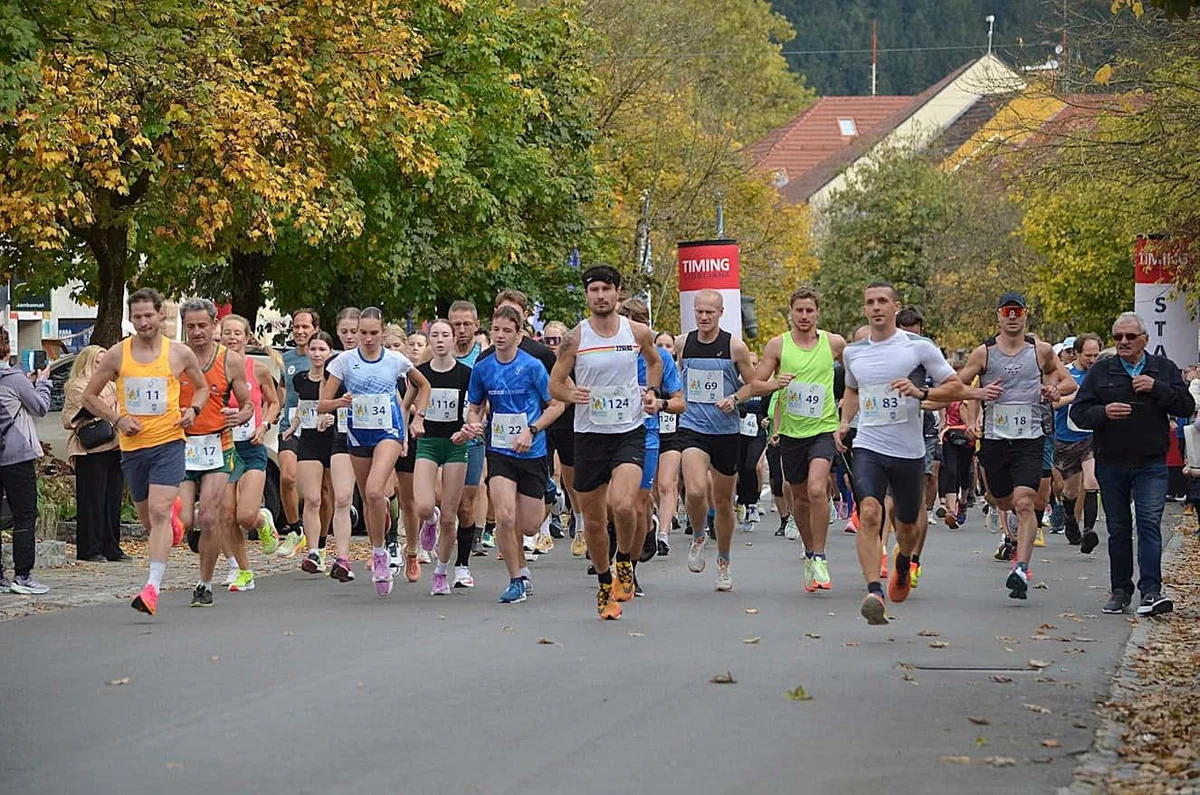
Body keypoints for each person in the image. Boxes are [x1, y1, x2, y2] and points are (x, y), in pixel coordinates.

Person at [836, 283, 969, 625]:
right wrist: (844, 422)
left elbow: (955, 387)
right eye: (870, 302)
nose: (876, 307)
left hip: (908, 451)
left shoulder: (919, 349)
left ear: (895, 307)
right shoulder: (854, 353)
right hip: (868, 443)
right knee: (868, 511)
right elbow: (852, 389)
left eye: (883, 301)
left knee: (907, 524)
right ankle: (873, 591)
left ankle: (903, 560)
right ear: (864, 309)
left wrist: (920, 391)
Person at [84, 288, 209, 615]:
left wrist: (193, 411)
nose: (143, 322)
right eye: (136, 317)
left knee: (157, 510)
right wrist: (118, 418)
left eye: (148, 316)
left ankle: (152, 588)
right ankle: (174, 524)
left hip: (168, 442)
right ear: (130, 318)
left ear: (160, 316)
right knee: (149, 520)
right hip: (133, 447)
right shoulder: (117, 354)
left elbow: (202, 388)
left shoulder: (178, 353)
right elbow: (89, 397)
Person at [551, 266, 663, 618]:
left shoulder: (638, 331)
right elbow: (554, 384)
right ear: (587, 295)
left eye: (606, 289)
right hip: (589, 435)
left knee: (625, 504)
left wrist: (651, 392)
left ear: (618, 293)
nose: (600, 296)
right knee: (595, 519)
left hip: (628, 431)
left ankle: (626, 561)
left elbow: (655, 362)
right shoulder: (575, 338)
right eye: (593, 290)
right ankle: (603, 583)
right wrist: (572, 393)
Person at [1071, 312, 1194, 616]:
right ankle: (1120, 590)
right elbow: (1079, 413)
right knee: (1119, 528)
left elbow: (1186, 406)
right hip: (1111, 461)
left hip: (1151, 462)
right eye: (1117, 337)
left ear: (1144, 339)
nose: (1123, 342)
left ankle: (1151, 591)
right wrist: (1104, 412)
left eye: (1129, 336)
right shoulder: (1102, 371)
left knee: (1149, 524)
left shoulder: (1162, 369)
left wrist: (1157, 389)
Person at [957, 292, 1075, 601]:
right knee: (1002, 498)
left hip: (1030, 438)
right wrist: (979, 395)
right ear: (998, 316)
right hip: (996, 440)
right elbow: (957, 383)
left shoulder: (1042, 351)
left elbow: (1069, 385)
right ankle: (1006, 517)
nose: (1012, 316)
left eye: (1018, 311)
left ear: (1025, 315)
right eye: (1007, 311)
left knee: (1025, 503)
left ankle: (1020, 570)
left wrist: (1053, 391)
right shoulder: (984, 353)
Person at [320, 307, 429, 597]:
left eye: (373, 333)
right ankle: (378, 550)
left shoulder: (395, 360)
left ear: (381, 333)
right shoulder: (344, 362)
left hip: (389, 432)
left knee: (371, 491)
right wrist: (340, 402)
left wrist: (416, 416)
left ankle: (383, 554)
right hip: (358, 435)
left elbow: (423, 385)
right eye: (362, 333)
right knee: (371, 500)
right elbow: (322, 404)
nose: (367, 339)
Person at [459, 305, 564, 606]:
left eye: (508, 330)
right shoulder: (483, 367)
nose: (501, 335)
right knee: (505, 516)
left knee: (528, 525)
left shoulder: (532, 367)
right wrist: (473, 422)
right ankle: (516, 578)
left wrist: (531, 430)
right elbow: (476, 405)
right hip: (500, 450)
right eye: (496, 329)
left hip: (532, 451)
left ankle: (548, 491)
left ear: (519, 335)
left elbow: (555, 405)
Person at [751, 287, 846, 593]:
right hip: (791, 431)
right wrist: (773, 383)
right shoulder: (778, 345)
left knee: (818, 488)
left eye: (810, 310)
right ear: (790, 312)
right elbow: (755, 383)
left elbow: (856, 374)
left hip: (823, 427)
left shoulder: (834, 343)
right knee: (801, 496)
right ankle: (809, 552)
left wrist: (846, 409)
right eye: (799, 310)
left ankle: (820, 555)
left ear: (818, 312)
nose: (804, 316)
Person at [676, 289, 758, 591]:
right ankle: (699, 534)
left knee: (723, 501)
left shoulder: (734, 347)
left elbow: (754, 386)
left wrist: (734, 399)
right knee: (695, 490)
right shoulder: (683, 343)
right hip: (693, 426)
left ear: (721, 312)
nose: (704, 317)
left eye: (710, 312)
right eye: (699, 311)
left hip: (724, 431)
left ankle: (724, 562)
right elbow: (679, 379)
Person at [176, 299, 255, 607]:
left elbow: (247, 403)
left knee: (209, 516)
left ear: (214, 326)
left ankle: (204, 583)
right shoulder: (174, 357)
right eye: (190, 326)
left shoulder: (229, 360)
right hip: (182, 444)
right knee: (184, 520)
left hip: (217, 446)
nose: (196, 332)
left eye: (202, 326)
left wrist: (241, 415)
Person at [219, 314, 282, 589]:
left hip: (251, 446)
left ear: (246, 338)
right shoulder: (211, 371)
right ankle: (241, 569)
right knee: (225, 514)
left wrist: (265, 424)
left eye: (237, 333)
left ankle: (262, 519)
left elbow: (273, 402)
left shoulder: (257, 370)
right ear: (219, 337)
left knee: (245, 516)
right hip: (221, 448)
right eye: (227, 333)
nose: (232, 338)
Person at [414, 319, 473, 594]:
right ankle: (429, 521)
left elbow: (477, 407)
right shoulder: (419, 373)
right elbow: (406, 404)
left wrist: (470, 427)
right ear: (429, 340)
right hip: (427, 442)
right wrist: (411, 424)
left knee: (451, 516)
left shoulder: (466, 374)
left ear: (453, 341)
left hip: (455, 444)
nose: (440, 340)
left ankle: (441, 572)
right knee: (424, 506)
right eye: (434, 335)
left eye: (445, 335)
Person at [62, 344, 127, 563]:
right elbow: (86, 409)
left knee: (112, 499)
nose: (103, 366)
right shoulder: (78, 385)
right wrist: (111, 399)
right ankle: (91, 548)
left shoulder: (112, 384)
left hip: (115, 445)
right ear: (88, 363)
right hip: (91, 449)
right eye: (98, 362)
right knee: (93, 500)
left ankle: (112, 546)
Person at [0, 329, 52, 594]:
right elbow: (40, 407)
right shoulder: (13, 377)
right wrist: (42, 381)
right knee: (24, 514)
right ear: (6, 347)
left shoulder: (15, 379)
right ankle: (23, 575)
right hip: (16, 454)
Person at [1052, 333, 1103, 553]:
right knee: (1070, 491)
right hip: (1065, 438)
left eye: (1096, 355)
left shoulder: (1100, 375)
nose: (1092, 359)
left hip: (1089, 437)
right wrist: (1075, 397)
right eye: (1088, 355)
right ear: (1077, 353)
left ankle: (1089, 531)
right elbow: (1053, 405)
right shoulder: (1066, 375)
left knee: (1091, 481)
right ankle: (1070, 517)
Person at [275, 308, 319, 557]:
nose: (300, 331)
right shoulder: (285, 359)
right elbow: (282, 390)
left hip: (316, 426)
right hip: (290, 426)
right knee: (287, 477)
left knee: (321, 491)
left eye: (305, 327)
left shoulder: (326, 355)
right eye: (296, 327)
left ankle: (320, 542)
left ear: (315, 329)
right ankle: (295, 529)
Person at [448, 300, 488, 559]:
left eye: (466, 324)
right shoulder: (436, 351)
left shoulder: (485, 355)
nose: (461, 329)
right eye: (456, 324)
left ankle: (470, 540)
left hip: (473, 436)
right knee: (440, 497)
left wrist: (483, 422)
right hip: (442, 436)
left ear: (476, 325)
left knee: (466, 502)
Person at [653, 330, 683, 555]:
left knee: (666, 484)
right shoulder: (643, 369)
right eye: (659, 344)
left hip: (671, 433)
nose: (663, 349)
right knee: (651, 487)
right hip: (648, 432)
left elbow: (681, 403)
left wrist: (663, 404)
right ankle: (653, 520)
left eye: (668, 346)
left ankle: (663, 534)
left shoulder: (676, 374)